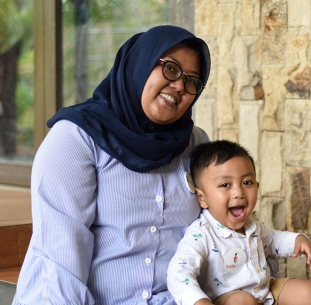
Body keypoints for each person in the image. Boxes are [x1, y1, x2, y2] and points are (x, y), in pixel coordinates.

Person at [13, 25, 212, 304]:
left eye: (192, 80)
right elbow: (61, 263)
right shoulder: (78, 137)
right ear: (139, 65)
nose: (180, 85)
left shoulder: (196, 144)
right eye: (170, 68)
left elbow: (215, 231)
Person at [167, 140, 311, 305]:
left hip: (265, 291)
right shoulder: (201, 234)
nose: (238, 192)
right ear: (202, 198)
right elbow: (178, 273)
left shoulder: (252, 224)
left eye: (247, 182)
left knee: (310, 293)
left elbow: (272, 240)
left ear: (257, 186)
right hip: (225, 299)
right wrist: (197, 301)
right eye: (224, 185)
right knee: (243, 301)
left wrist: (297, 241)